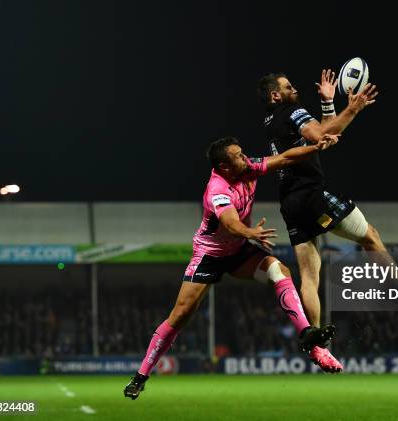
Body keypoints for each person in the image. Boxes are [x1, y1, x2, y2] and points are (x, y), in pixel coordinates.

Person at [124, 134, 343, 400]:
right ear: (224, 166)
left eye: (242, 153)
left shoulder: (248, 167)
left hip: (239, 252)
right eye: (238, 156)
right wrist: (249, 232)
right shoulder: (217, 188)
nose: (245, 158)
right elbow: (229, 223)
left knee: (279, 270)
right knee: (180, 315)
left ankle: (307, 334)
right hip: (210, 255)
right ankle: (141, 376)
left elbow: (285, 158)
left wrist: (315, 147)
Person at [256, 70, 398, 331]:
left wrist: (328, 102)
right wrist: (353, 109)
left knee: (309, 275)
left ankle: (315, 338)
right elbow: (321, 134)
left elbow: (325, 133)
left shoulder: (272, 122)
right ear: (276, 94)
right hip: (312, 195)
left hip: (290, 203)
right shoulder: (292, 112)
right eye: (288, 86)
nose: (294, 89)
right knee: (370, 236)